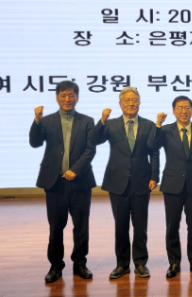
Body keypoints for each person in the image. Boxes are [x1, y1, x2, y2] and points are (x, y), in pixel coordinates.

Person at [29, 80, 96, 283]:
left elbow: (90, 149)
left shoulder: (87, 121)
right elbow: (35, 142)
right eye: (63, 95)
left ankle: (80, 263)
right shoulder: (47, 121)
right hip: (55, 183)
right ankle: (56, 265)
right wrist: (37, 120)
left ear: (77, 97)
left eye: (71, 95)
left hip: (80, 182)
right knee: (56, 226)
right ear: (57, 98)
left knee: (81, 226)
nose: (68, 99)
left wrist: (75, 170)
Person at [90, 87, 159, 279]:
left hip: (142, 181)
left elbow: (154, 152)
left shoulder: (148, 125)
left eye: (134, 100)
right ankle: (122, 265)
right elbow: (94, 139)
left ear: (139, 103)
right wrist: (102, 120)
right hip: (117, 182)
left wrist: (154, 176)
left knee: (140, 226)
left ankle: (140, 263)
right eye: (127, 100)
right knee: (120, 226)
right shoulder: (110, 124)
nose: (131, 103)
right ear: (120, 104)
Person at [147, 96, 192, 278]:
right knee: (172, 226)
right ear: (174, 111)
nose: (184, 111)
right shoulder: (165, 130)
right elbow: (152, 145)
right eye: (180, 108)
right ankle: (174, 263)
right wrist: (158, 124)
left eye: (187, 107)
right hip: (172, 184)